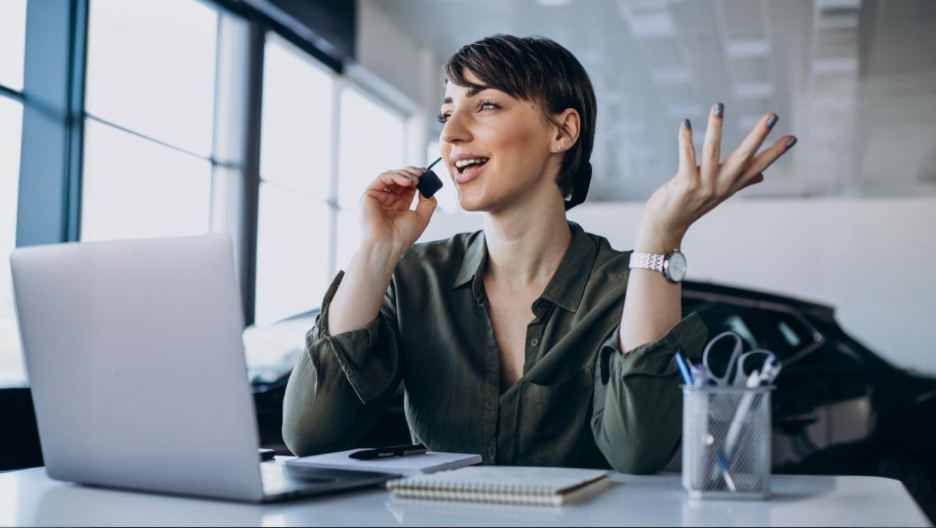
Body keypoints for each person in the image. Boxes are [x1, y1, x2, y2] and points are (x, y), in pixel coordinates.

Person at [282, 34, 796, 473]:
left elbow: (637, 451)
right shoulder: (415, 277)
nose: (450, 133)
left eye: (484, 105)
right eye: (447, 112)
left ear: (562, 131)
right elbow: (309, 435)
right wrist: (378, 248)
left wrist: (660, 237)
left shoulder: (626, 285)